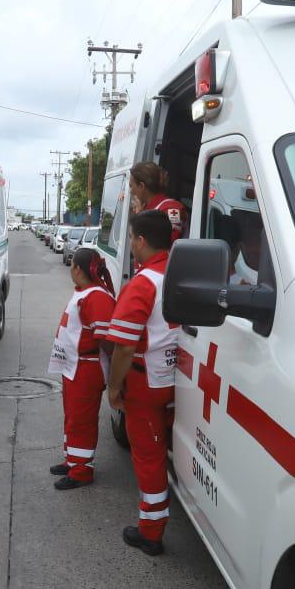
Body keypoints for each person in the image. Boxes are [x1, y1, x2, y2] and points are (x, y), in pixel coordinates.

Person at [101, 211, 180, 556]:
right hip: (179, 379)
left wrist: (113, 387)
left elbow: (124, 345)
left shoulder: (143, 283)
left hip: (145, 383)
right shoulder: (178, 275)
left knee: (148, 457)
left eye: (132, 238)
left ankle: (151, 531)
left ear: (142, 241)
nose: (130, 244)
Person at [47, 247, 117, 490]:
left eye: (72, 265)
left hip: (87, 369)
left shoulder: (96, 297)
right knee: (73, 417)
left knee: (82, 420)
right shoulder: (84, 292)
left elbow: (108, 341)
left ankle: (81, 471)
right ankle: (73, 460)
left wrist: (118, 377)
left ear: (78, 268)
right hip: (74, 366)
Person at [128, 162, 188, 244]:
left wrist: (140, 220)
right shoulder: (144, 208)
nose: (130, 192)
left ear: (141, 186)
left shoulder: (171, 208)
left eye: (131, 186)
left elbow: (167, 243)